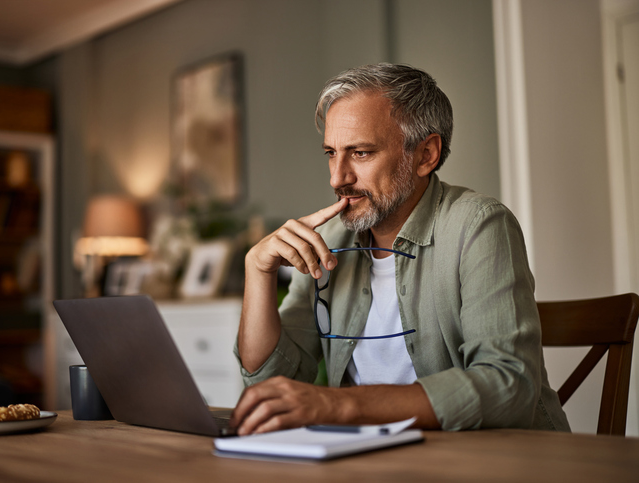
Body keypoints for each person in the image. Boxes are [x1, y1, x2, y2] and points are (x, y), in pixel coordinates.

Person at [229, 63, 570, 436]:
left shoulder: (480, 226)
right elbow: (269, 387)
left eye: (359, 153)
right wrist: (257, 271)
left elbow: (509, 386)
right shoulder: (329, 240)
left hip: (493, 463)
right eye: (331, 152)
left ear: (426, 154)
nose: (337, 177)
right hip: (372, 459)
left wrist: (340, 405)